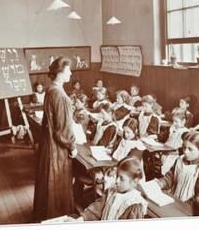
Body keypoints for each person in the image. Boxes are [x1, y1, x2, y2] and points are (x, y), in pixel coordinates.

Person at [33, 57, 78, 221]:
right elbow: (63, 131)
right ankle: (57, 219)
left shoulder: (50, 89)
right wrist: (73, 147)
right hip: (57, 149)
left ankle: (45, 216)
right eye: (68, 70)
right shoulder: (61, 96)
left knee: (47, 184)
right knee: (57, 184)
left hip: (48, 145)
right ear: (59, 73)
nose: (71, 73)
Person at [76, 157, 148, 221]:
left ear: (134, 181)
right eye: (117, 176)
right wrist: (81, 219)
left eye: (122, 179)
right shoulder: (111, 191)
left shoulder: (134, 205)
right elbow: (96, 210)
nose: (117, 181)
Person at [153, 131, 199, 202]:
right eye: (184, 147)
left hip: (190, 206)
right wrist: (160, 183)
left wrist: (184, 205)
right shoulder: (179, 160)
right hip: (175, 199)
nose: (185, 151)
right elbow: (170, 178)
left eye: (190, 149)